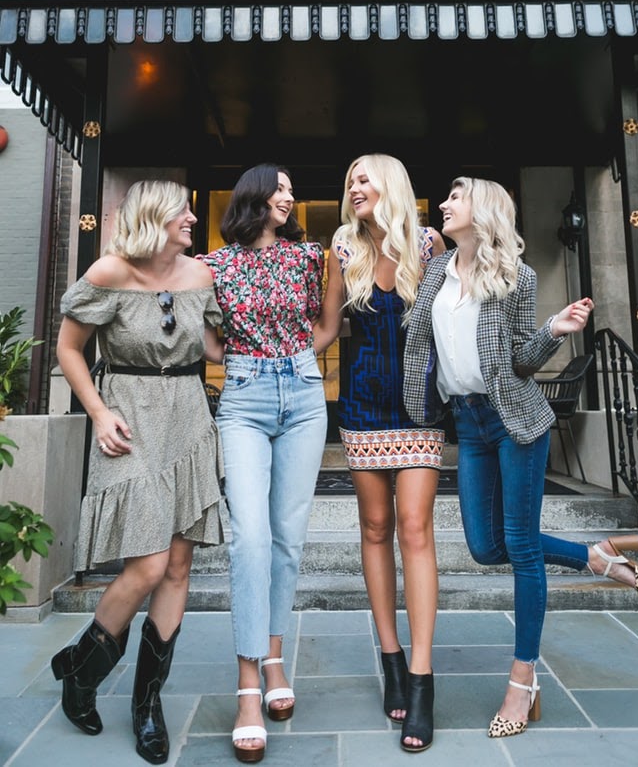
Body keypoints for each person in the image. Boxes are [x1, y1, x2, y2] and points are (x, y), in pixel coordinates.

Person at [403, 175, 638, 740]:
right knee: (485, 546)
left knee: (519, 543)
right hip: (465, 421)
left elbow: (518, 362)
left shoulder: (516, 276)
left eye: (455, 197)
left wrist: (553, 331)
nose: (443, 203)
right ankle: (593, 555)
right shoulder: (437, 272)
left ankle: (523, 681)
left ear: (482, 209)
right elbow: (418, 338)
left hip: (514, 420)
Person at [51, 179, 225, 765]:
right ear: (155, 215)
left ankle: (146, 705)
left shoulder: (201, 277)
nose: (194, 219)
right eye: (185, 210)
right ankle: (83, 672)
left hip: (188, 418)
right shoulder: (110, 272)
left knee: (177, 564)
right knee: (146, 562)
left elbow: (215, 347)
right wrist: (97, 413)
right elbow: (69, 348)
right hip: (128, 417)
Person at [313, 153, 446, 754]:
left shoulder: (430, 244)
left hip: (420, 409)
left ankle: (421, 679)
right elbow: (323, 333)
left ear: (389, 185)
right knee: (374, 527)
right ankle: (389, 656)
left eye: (363, 178)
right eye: (349, 181)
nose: (353, 187)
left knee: (415, 529)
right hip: (363, 409)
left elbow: (459, 318)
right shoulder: (341, 250)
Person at [199, 163, 328, 764]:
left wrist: (293, 358)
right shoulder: (215, 266)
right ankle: (249, 685)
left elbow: (324, 326)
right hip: (245, 398)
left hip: (303, 393)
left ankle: (275, 657)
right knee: (248, 537)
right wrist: (239, 361)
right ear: (255, 194)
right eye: (281, 188)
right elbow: (199, 330)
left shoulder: (307, 258)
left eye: (292, 191)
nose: (290, 197)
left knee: (287, 541)